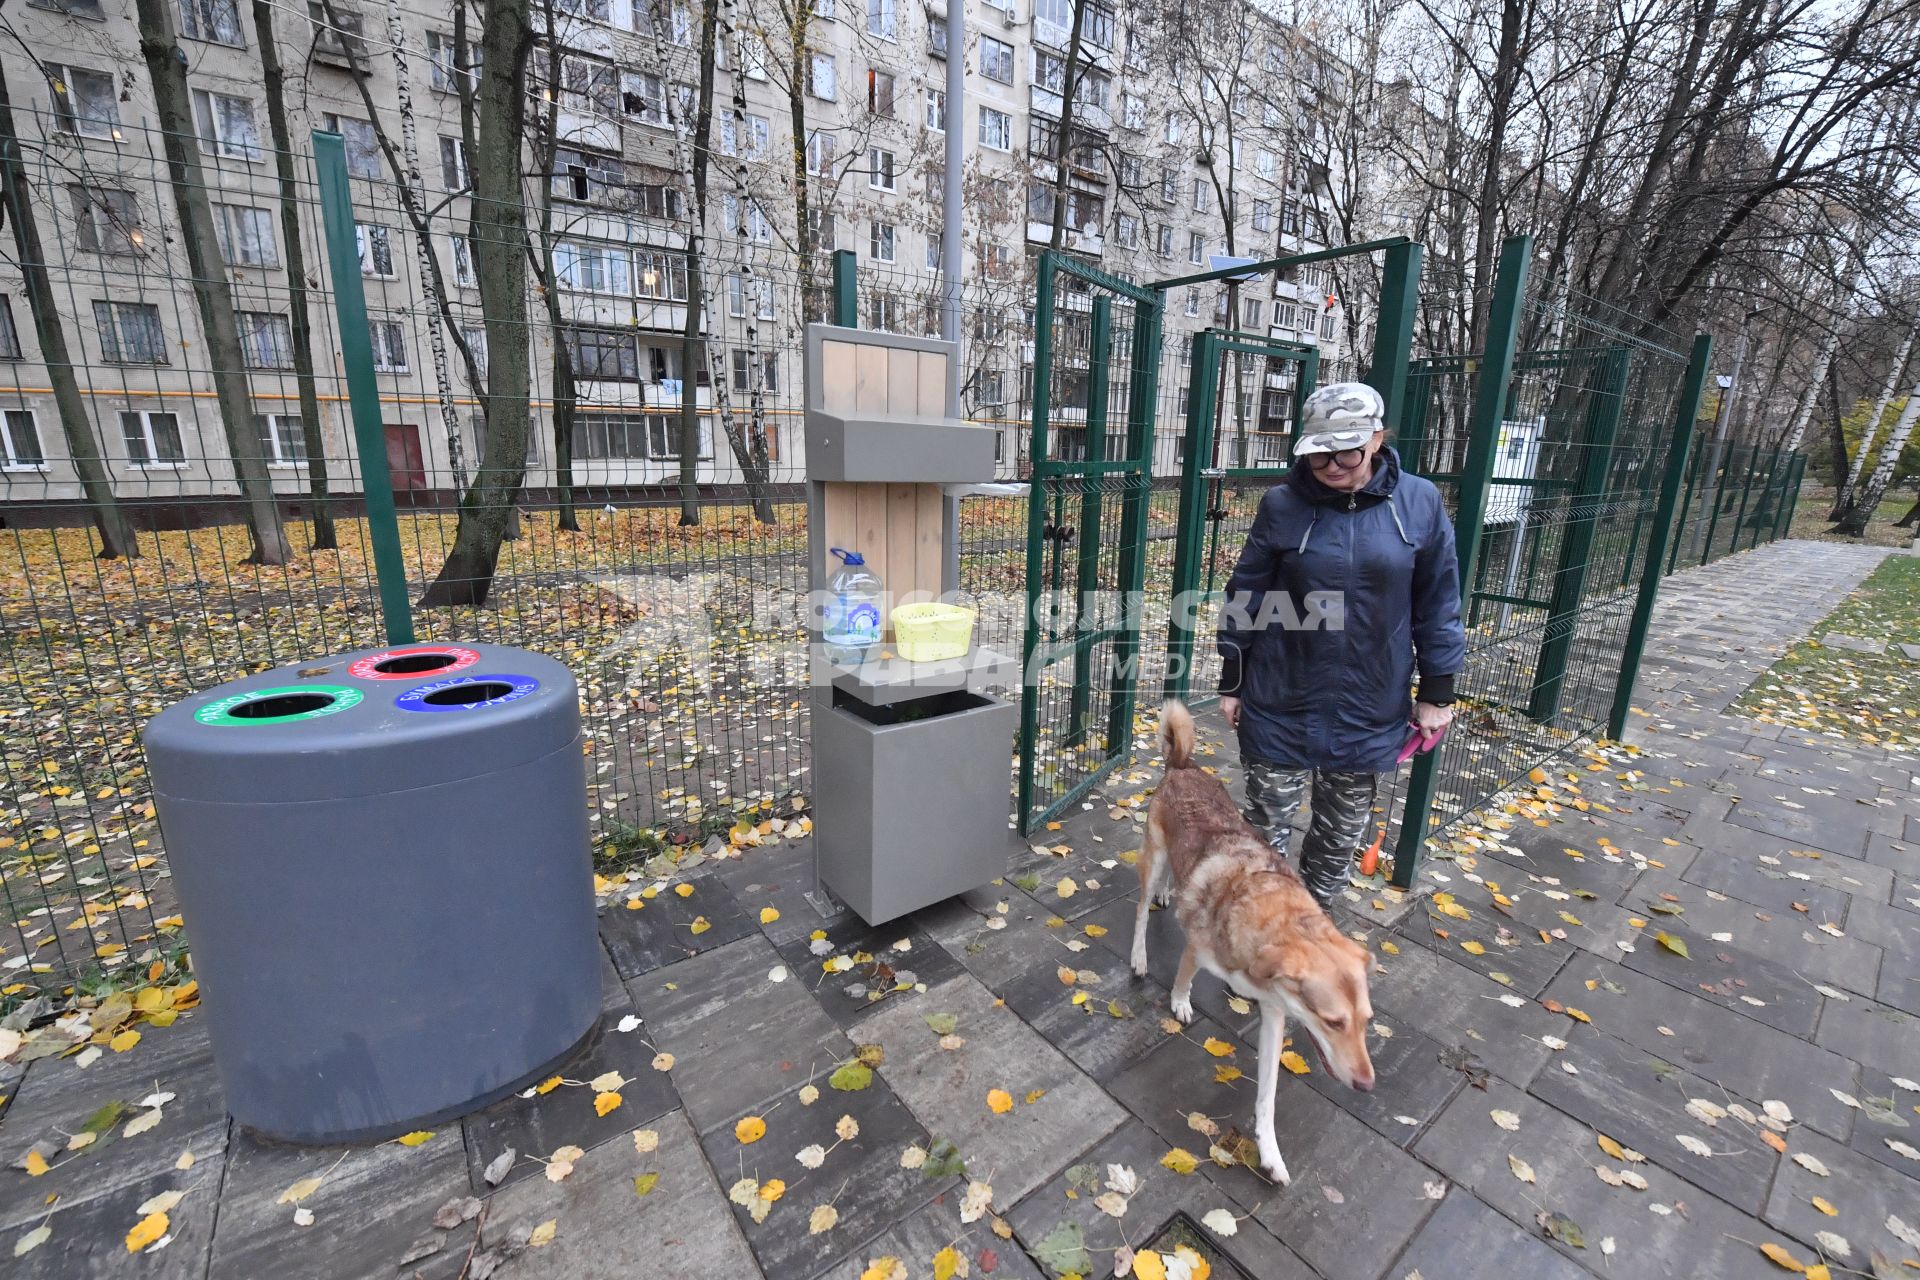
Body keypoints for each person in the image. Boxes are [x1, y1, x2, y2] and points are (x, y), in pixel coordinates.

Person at [1215, 381, 1466, 911]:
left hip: (1369, 704)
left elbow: (1438, 602)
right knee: (1264, 831)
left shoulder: (1420, 502)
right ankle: (1264, 930)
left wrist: (1437, 694)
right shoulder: (1282, 505)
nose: (1331, 465)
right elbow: (1247, 594)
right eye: (1318, 454)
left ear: (1377, 439)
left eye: (1346, 451)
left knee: (1336, 840)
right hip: (1281, 695)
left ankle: (1315, 929)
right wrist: (1232, 682)